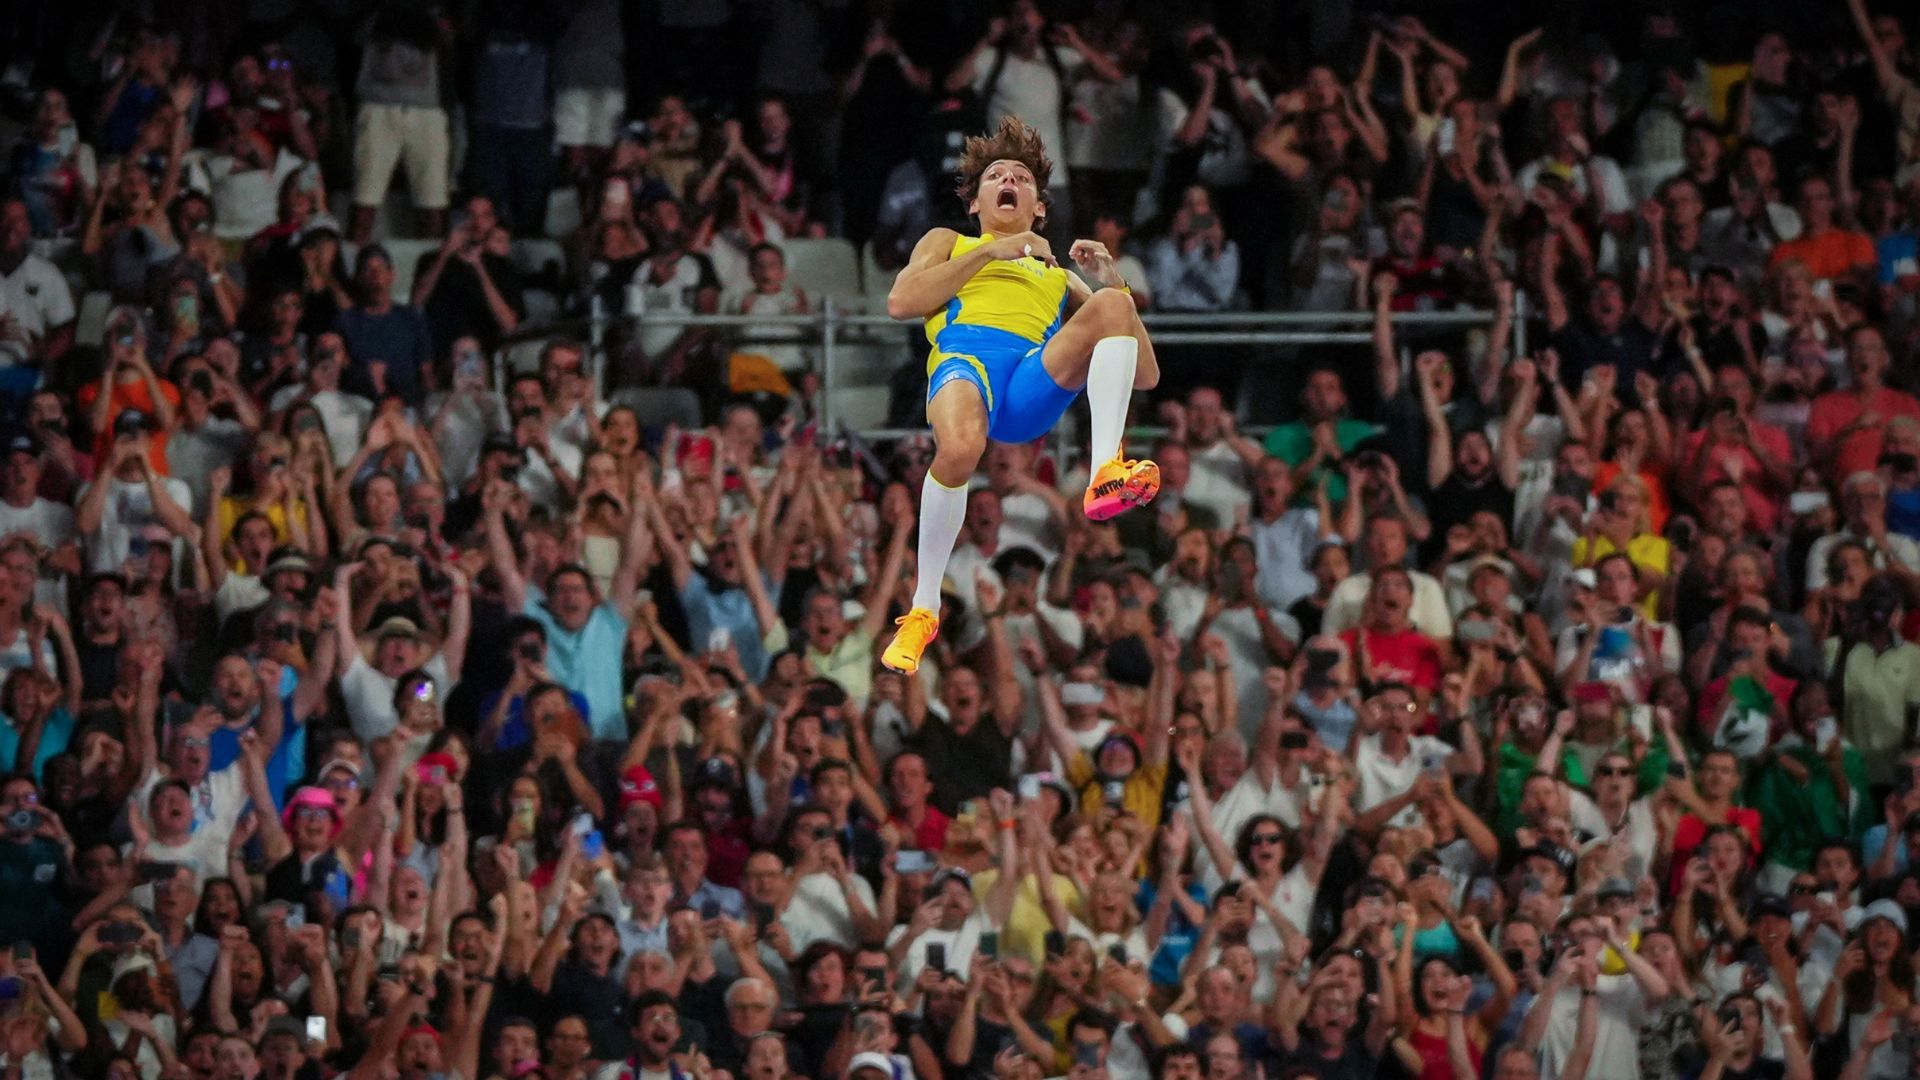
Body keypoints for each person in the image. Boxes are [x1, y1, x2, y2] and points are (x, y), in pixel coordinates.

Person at [879, 116, 1161, 675]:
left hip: (1031, 381)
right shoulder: (949, 242)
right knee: (959, 449)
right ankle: (923, 609)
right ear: (976, 203)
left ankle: (1106, 467)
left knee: (1112, 308)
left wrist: (1113, 283)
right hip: (967, 363)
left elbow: (1146, 373)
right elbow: (902, 302)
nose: (1008, 179)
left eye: (1021, 177)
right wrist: (992, 252)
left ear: (1039, 208)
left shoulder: (1057, 273)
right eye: (996, 175)